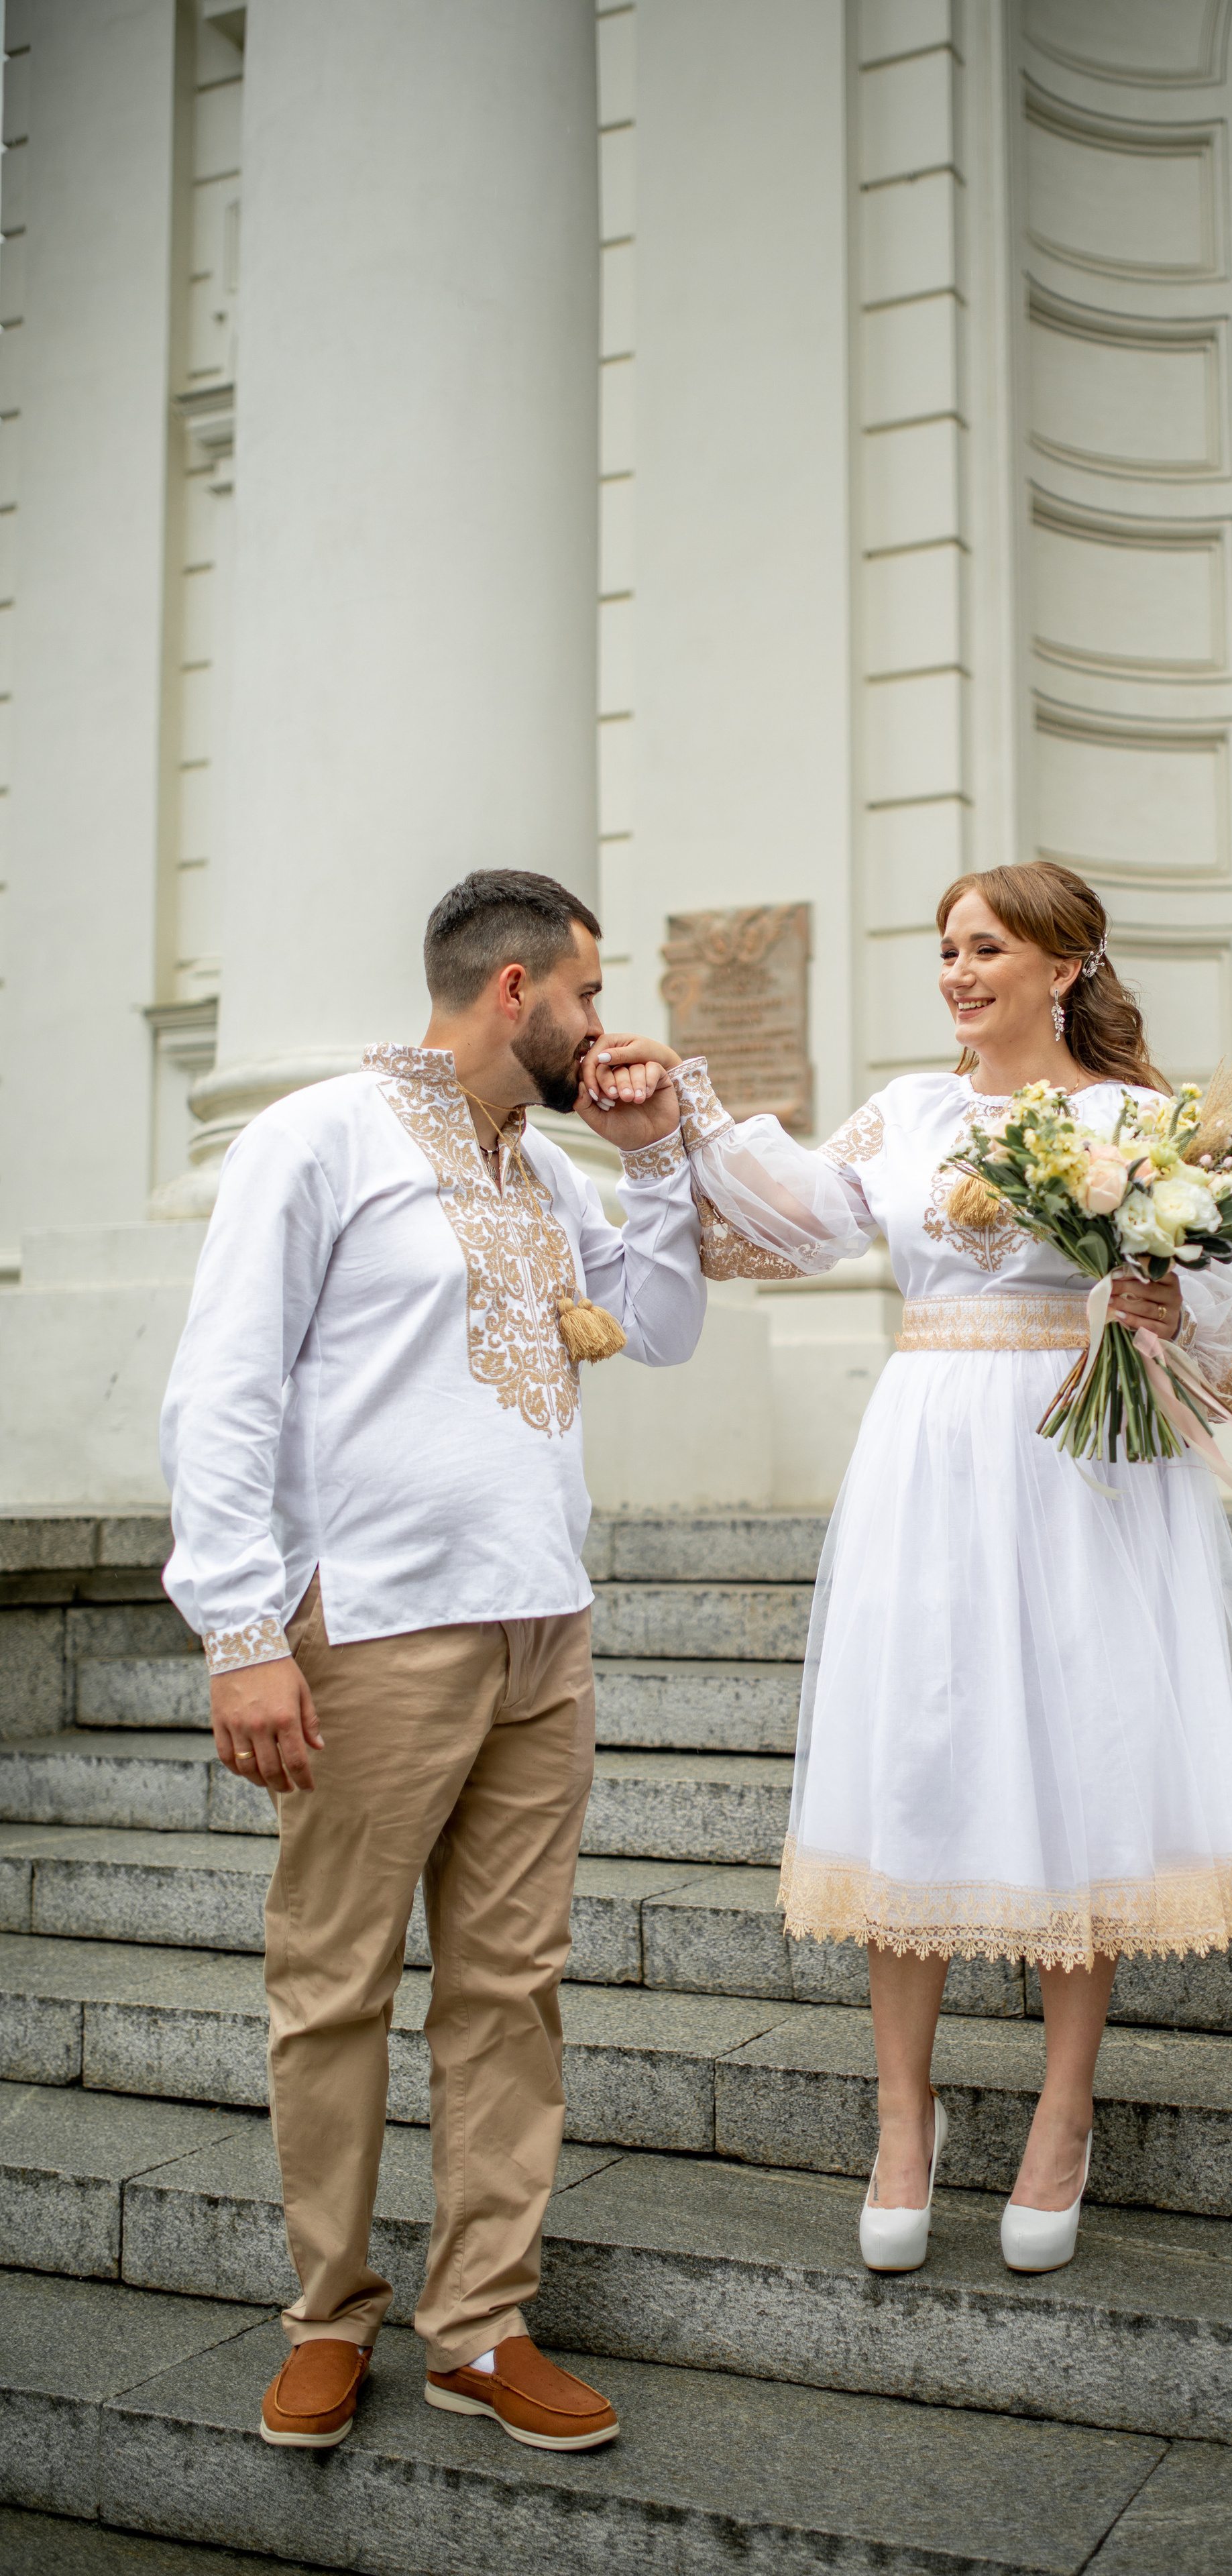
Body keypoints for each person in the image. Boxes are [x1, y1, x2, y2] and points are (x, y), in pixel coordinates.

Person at [585, 859, 1232, 2275]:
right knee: (915, 1757)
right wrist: (685, 1106)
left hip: (1081, 1475)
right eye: (945, 949)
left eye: (985, 948)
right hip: (927, 1459)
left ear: (1063, 967)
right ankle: (901, 2118)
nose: (956, 972)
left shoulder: (1148, 1127)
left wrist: (1159, 1303)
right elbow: (799, 1214)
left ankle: (1061, 2117)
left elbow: (1216, 1367)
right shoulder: (912, 1113)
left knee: (1080, 1758)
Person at [160, 869, 703, 2451]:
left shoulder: (546, 1173)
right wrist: (243, 1633)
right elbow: (226, 1387)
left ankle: (479, 2322)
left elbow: (657, 1329)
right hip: (376, 1625)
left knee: (510, 1989)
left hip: (544, 1621)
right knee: (333, 1985)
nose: (607, 1025)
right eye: (591, 995)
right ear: (517, 989)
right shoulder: (318, 1136)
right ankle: (329, 2315)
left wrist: (655, 1154)